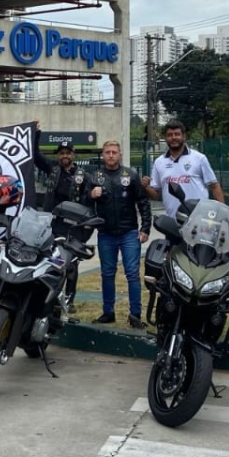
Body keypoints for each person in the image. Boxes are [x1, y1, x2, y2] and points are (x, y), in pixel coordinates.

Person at [86, 140, 151, 329]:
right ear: (103, 154)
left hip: (129, 232)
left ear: (120, 154)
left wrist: (145, 228)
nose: (111, 155)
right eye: (107, 152)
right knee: (107, 274)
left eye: (114, 152)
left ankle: (135, 314)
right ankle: (108, 312)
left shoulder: (130, 175)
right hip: (105, 233)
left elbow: (143, 202)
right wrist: (91, 195)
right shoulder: (95, 177)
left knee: (132, 274)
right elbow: (84, 202)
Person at [32, 126, 92, 312]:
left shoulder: (83, 176)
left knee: (71, 265)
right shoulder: (52, 169)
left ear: (73, 155)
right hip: (52, 225)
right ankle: (47, 296)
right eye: (62, 153)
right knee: (48, 261)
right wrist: (36, 134)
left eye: (68, 153)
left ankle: (68, 300)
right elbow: (34, 154)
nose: (64, 156)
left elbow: (89, 201)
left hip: (73, 228)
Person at [143, 120, 225, 219]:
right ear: (166, 138)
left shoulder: (199, 158)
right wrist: (145, 186)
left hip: (199, 222)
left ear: (184, 136)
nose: (173, 138)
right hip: (172, 223)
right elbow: (155, 196)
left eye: (177, 134)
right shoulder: (159, 162)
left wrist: (222, 215)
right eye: (169, 135)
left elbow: (215, 187)